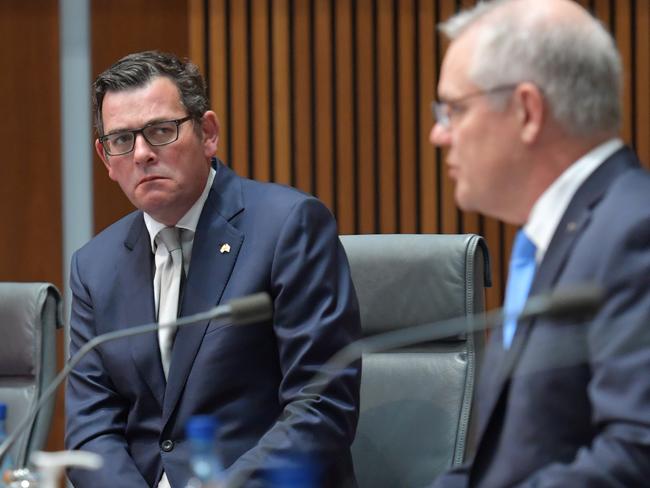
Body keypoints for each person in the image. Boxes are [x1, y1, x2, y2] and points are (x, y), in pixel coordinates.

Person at [64, 51, 361, 488]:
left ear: (207, 133)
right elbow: (91, 426)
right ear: (106, 158)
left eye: (161, 131)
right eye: (122, 140)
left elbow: (320, 405)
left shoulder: (288, 226)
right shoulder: (94, 265)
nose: (142, 153)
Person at [429, 0, 650, 486]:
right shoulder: (557, 237)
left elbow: (637, 454)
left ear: (527, 110)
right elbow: (509, 460)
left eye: (454, 109)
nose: (438, 134)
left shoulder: (633, 233)